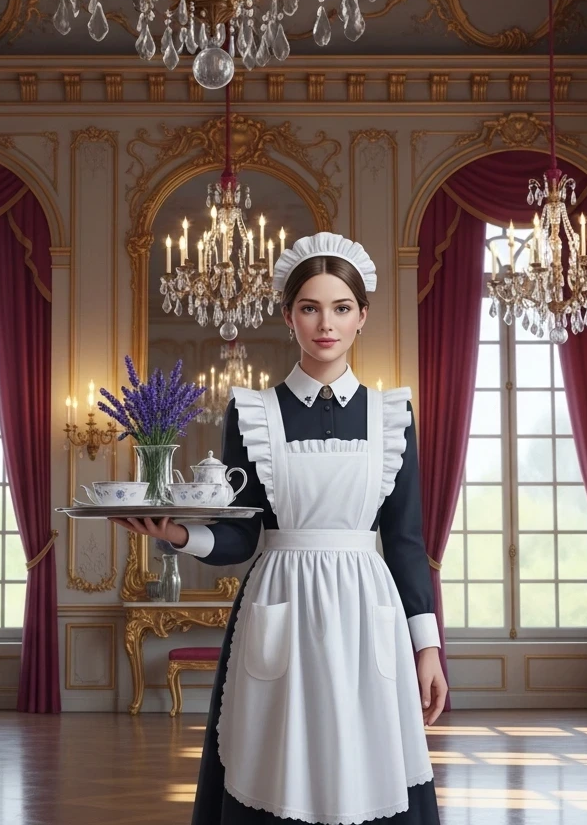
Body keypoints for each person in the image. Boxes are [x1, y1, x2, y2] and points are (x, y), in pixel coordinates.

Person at [112, 232, 445, 825]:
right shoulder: (252, 414)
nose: (326, 324)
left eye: (342, 308)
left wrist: (428, 647)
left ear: (362, 317)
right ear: (288, 315)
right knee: (271, 765)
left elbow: (405, 540)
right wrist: (181, 537)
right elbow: (243, 533)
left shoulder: (391, 415)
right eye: (310, 307)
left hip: (368, 611)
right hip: (280, 601)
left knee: (371, 770)